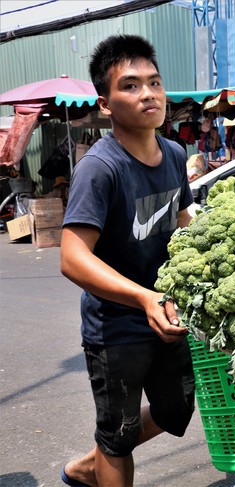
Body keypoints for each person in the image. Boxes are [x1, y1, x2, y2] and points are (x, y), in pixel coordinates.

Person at [59, 35, 195, 487]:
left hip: (168, 314)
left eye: (154, 83)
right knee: (118, 435)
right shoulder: (101, 168)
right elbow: (73, 259)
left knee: (176, 410)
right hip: (116, 323)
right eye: (131, 86)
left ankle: (88, 463)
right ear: (105, 104)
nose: (149, 94)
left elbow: (181, 221)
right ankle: (103, 458)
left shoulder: (175, 154)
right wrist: (142, 298)